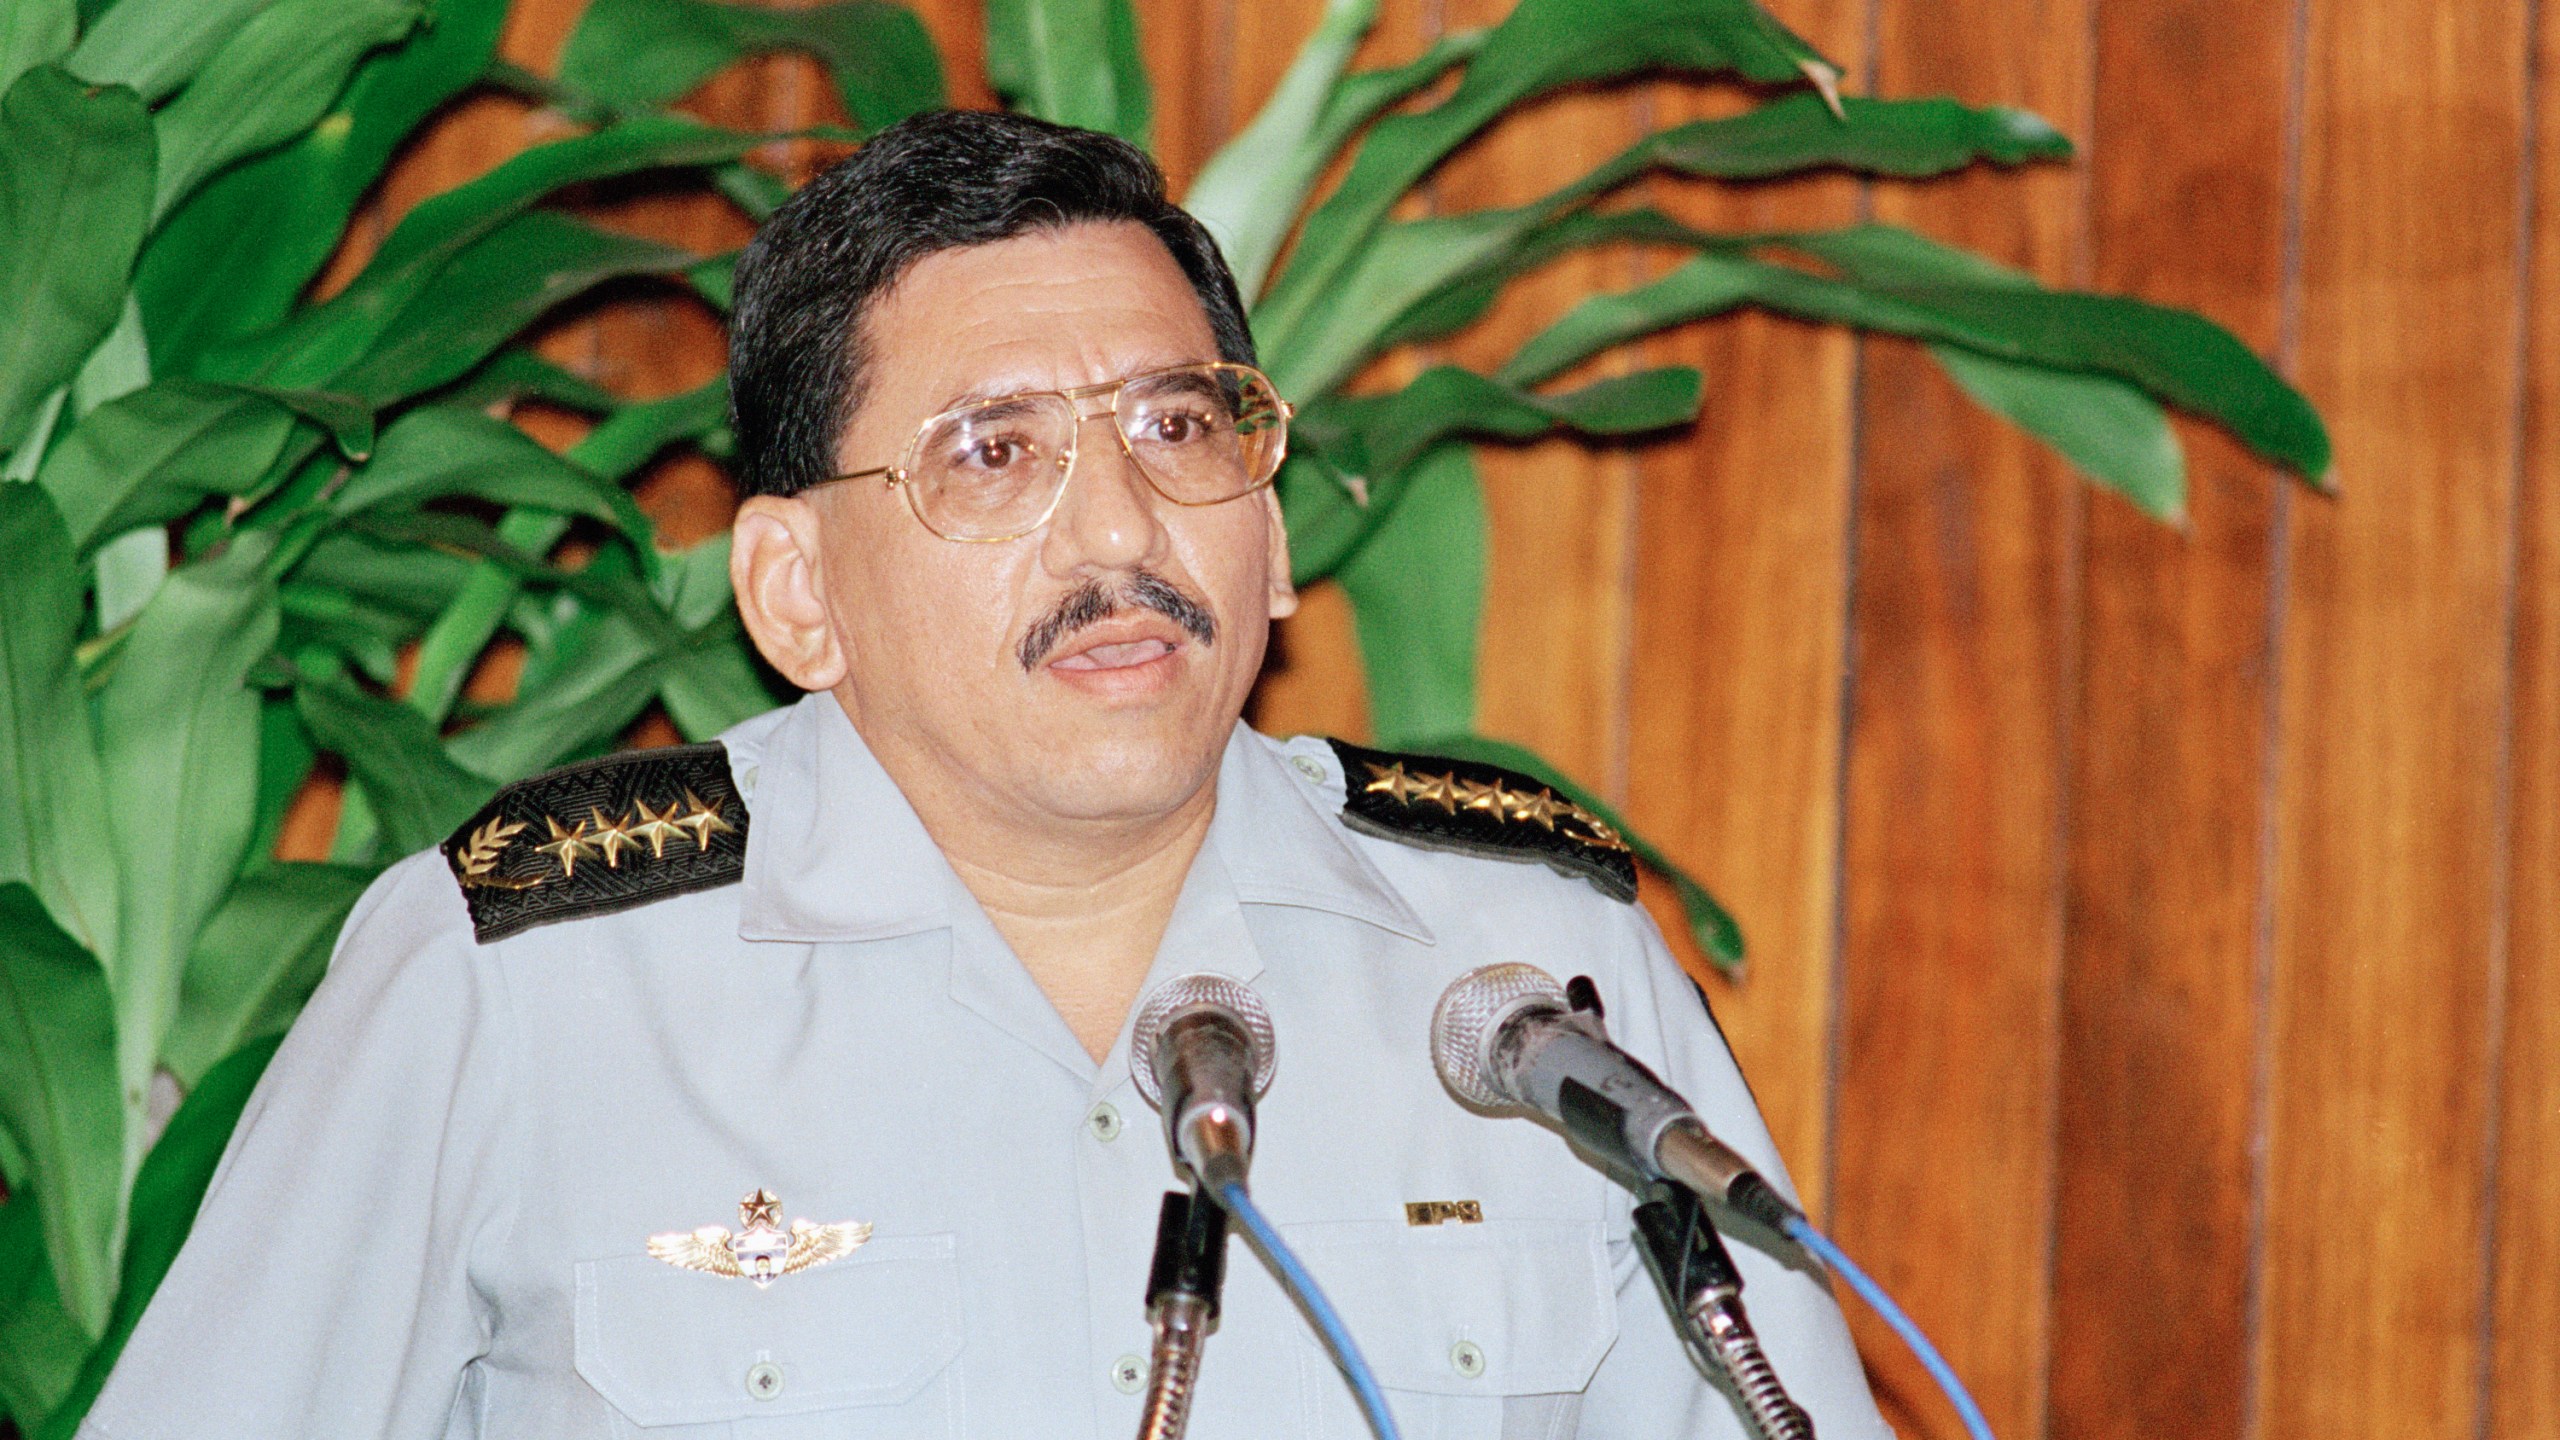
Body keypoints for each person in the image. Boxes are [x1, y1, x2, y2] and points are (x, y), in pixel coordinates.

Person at [84, 110, 1891, 1440]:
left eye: (1180, 427)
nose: (1117, 523)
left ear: (1268, 534)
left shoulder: (1518, 979)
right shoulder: (524, 986)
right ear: (798, 592)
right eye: (993, 452)